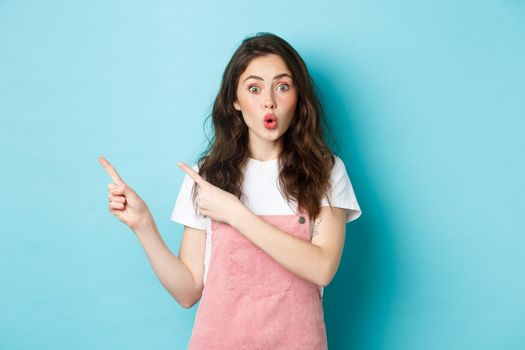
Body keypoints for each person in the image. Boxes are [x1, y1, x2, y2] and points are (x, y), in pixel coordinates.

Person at [99, 32, 362, 349]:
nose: (269, 101)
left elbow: (322, 268)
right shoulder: (205, 177)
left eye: (282, 86)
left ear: (298, 96)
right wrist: (144, 226)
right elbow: (188, 292)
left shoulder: (326, 172)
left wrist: (236, 214)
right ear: (235, 101)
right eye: (254, 88)